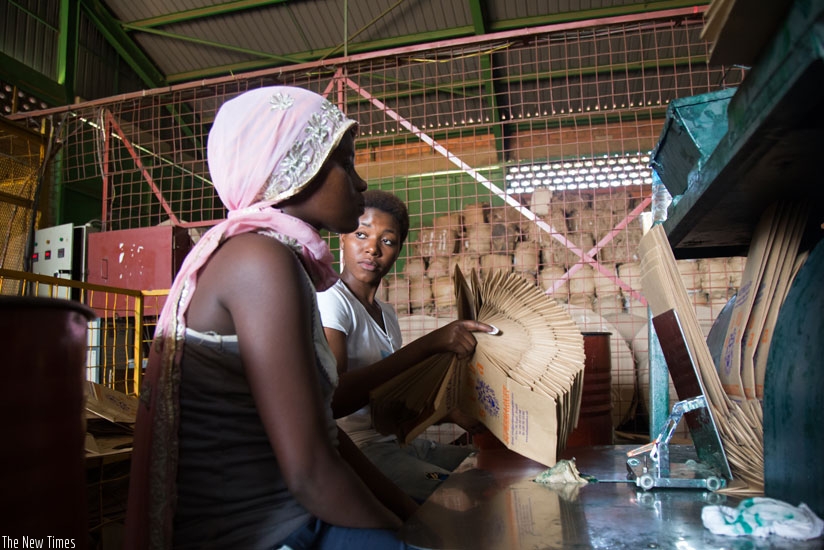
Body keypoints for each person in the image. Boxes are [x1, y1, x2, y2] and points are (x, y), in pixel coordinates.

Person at [125, 86, 418, 550]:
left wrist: (408, 512)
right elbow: (309, 471)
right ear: (292, 170)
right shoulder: (260, 261)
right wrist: (407, 535)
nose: (360, 184)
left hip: (297, 514)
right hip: (264, 535)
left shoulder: (285, 262)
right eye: (345, 163)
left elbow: (324, 436)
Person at [317, 189, 495, 503]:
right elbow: (334, 397)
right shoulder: (332, 299)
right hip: (359, 449)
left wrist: (448, 414)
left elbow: (387, 400)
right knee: (457, 493)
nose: (372, 249)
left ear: (398, 249)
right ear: (342, 239)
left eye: (387, 240)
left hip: (398, 442)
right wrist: (431, 343)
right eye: (361, 234)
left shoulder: (386, 314)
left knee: (486, 471)